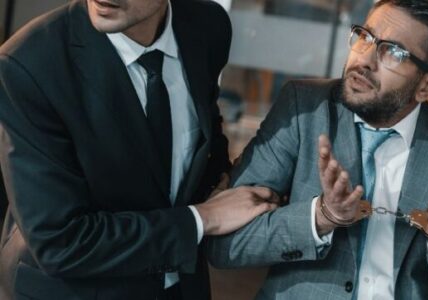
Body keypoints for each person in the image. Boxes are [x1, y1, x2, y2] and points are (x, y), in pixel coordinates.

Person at [207, 0, 428, 299]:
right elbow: (226, 245)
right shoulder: (304, 109)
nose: (365, 59)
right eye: (365, 37)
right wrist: (321, 217)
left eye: (393, 52)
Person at [0, 0, 279, 299]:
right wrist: (204, 218)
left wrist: (220, 179)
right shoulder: (27, 64)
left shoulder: (209, 26)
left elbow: (205, 123)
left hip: (182, 285)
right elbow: (61, 243)